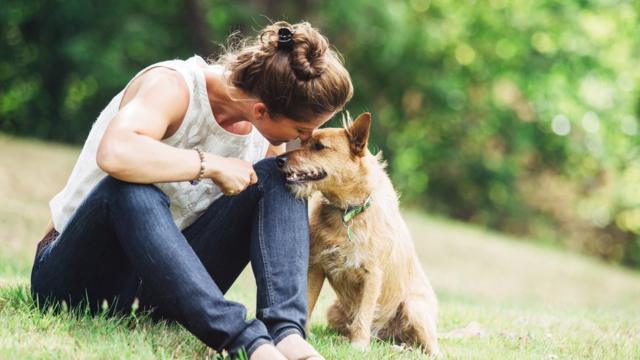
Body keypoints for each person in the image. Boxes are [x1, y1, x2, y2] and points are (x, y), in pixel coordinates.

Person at [30, 21, 353, 360]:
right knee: (130, 188)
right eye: (302, 129)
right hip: (80, 280)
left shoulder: (263, 134)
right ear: (261, 110)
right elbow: (115, 152)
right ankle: (247, 344)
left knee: (281, 175)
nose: (303, 140)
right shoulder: (172, 86)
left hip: (161, 291)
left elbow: (274, 219)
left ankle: (286, 333)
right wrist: (210, 165)